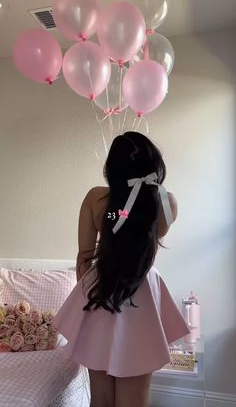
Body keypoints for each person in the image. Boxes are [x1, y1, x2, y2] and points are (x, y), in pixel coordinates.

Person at [53, 131, 190, 407]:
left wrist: (89, 304)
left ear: (111, 168)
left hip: (100, 290)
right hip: (142, 295)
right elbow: (146, 244)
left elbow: (85, 255)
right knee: (134, 401)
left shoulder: (97, 199)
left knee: (100, 400)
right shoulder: (166, 202)